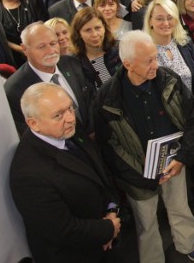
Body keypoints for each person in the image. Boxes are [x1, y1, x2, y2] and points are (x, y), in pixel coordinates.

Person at [93, 30, 194, 263]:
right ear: (127, 64)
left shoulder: (169, 79)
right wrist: (139, 174)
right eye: (148, 61)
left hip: (173, 163)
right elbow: (108, 146)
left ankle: (187, 243)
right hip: (137, 173)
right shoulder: (107, 97)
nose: (156, 65)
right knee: (146, 222)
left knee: (180, 207)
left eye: (155, 57)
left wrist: (183, 157)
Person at [9, 83, 121, 263]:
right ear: (33, 123)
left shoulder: (69, 132)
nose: (70, 118)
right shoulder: (28, 175)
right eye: (58, 115)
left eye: (70, 108)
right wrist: (107, 229)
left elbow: (102, 173)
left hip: (106, 243)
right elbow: (62, 230)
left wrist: (112, 211)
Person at [144, 0, 194, 212]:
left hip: (192, 117)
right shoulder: (145, 48)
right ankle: (174, 207)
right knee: (172, 168)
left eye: (170, 18)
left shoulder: (185, 42)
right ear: (150, 21)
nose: (165, 23)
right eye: (160, 18)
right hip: (165, 122)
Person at [4, 23, 93, 135]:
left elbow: (90, 98)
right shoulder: (14, 90)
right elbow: (30, 134)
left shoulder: (72, 63)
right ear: (25, 49)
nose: (51, 51)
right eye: (42, 47)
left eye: (53, 43)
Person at [0, 0, 48, 66]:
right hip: (15, 59)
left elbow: (45, 24)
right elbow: (0, 38)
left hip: (41, 49)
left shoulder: (33, 1)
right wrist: (22, 49)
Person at [71, 7, 121, 90]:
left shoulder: (120, 49)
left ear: (104, 27)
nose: (94, 34)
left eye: (97, 28)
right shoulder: (75, 62)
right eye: (88, 30)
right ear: (78, 33)